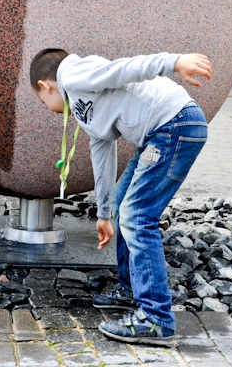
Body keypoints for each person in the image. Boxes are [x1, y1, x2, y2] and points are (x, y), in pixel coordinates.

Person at [29, 48, 213, 345]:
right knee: (122, 204)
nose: (48, 106)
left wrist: (174, 62)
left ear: (45, 86)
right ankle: (131, 291)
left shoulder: (74, 74)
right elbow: (102, 153)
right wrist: (103, 214)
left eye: (43, 101)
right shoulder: (84, 103)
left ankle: (156, 319)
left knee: (138, 216)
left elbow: (124, 68)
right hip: (164, 131)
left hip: (174, 125)